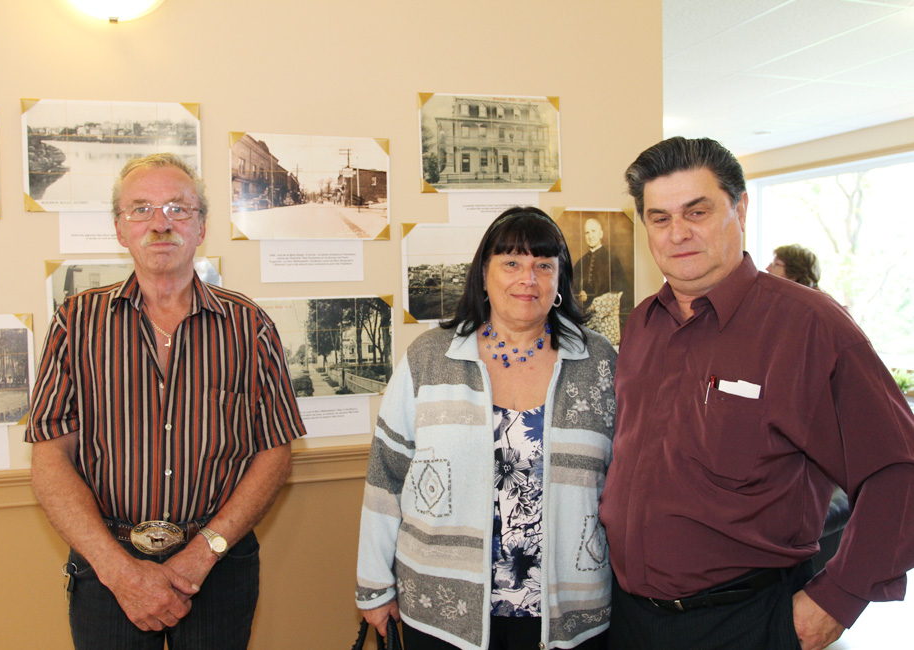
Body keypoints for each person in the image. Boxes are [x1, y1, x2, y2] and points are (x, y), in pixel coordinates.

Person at [598, 136, 914, 650]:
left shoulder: (810, 326)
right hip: (632, 619)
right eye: (659, 218)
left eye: (696, 212)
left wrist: (838, 598)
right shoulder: (641, 325)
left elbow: (899, 471)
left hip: (745, 621)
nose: (677, 233)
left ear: (740, 207)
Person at [25, 153, 306, 649]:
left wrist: (203, 552)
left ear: (201, 227)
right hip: (106, 566)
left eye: (178, 209)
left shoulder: (248, 326)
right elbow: (50, 456)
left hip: (218, 566)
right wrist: (118, 571)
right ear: (119, 229)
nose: (160, 224)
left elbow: (274, 450)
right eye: (141, 209)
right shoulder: (76, 322)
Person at [356, 207, 615, 650]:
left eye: (543, 265)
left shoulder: (599, 362)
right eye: (511, 262)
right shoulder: (430, 358)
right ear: (483, 275)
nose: (527, 278)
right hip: (442, 606)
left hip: (567, 610)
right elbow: (387, 472)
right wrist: (374, 585)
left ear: (560, 281)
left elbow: (624, 482)